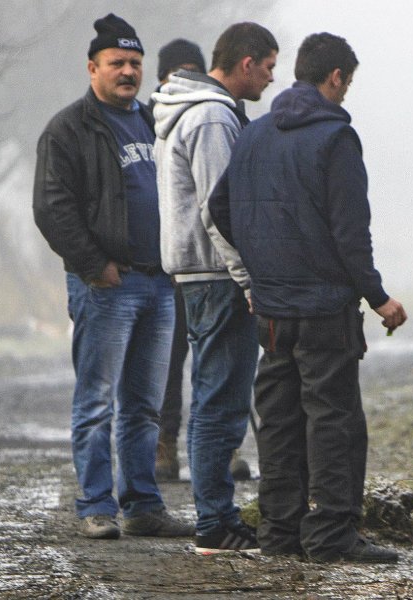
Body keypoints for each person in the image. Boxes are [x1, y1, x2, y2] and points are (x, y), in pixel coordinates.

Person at [208, 32, 408, 563]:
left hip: (272, 311)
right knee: (334, 422)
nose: (346, 92)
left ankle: (280, 532)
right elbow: (350, 233)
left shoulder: (254, 133)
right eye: (347, 82)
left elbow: (219, 209)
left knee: (279, 422)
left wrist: (263, 267)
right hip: (325, 311)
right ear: (336, 77)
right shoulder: (335, 138)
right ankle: (331, 535)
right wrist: (379, 298)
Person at [32, 13, 194, 540]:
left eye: (135, 63)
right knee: (97, 401)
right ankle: (96, 505)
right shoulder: (68, 128)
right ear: (92, 68)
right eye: (117, 62)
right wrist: (94, 265)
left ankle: (143, 505)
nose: (128, 72)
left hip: (159, 283)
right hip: (107, 286)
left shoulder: (152, 121)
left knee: (145, 406)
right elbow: (52, 207)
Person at [152, 22, 278, 554]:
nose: (271, 79)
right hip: (218, 277)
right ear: (246, 63)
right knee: (220, 404)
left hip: (199, 274)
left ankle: (217, 517)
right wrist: (248, 279)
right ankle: (214, 523)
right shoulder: (210, 117)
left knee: (214, 398)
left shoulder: (190, 110)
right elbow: (222, 208)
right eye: (268, 67)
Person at [151, 37, 207, 483]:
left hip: (204, 261)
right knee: (168, 362)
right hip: (161, 265)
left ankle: (217, 447)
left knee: (212, 359)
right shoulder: (144, 123)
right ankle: (164, 441)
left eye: (192, 70)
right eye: (176, 72)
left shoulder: (216, 116)